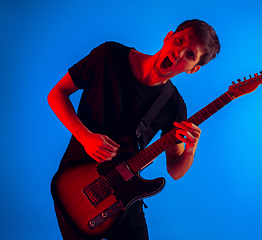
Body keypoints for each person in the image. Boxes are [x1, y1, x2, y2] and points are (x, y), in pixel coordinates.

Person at [48, 19, 220, 240]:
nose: (178, 53)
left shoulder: (174, 105)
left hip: (124, 192)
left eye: (190, 55)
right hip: (76, 185)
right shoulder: (109, 55)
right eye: (179, 41)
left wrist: (190, 149)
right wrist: (85, 136)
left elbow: (175, 171)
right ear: (168, 37)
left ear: (193, 69)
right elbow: (57, 93)